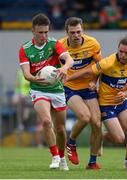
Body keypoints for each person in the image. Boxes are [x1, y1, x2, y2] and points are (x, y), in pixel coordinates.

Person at [65, 31, 127, 170]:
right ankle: (98, 137)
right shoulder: (108, 62)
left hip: (121, 103)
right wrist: (69, 77)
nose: (123, 55)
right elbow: (90, 71)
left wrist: (126, 93)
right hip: (106, 105)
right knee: (119, 139)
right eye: (120, 51)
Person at [19, 13, 74, 170]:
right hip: (38, 89)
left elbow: (69, 59)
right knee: (46, 121)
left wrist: (64, 67)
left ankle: (62, 157)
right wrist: (33, 79)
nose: (44, 35)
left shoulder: (54, 43)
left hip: (56, 90)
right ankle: (55, 156)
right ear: (33, 31)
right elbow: (26, 73)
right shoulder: (25, 49)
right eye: (40, 32)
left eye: (46, 32)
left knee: (61, 130)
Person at [59, 17, 102, 169]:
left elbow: (99, 65)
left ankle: (92, 163)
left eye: (79, 32)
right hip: (70, 87)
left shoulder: (93, 43)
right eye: (72, 33)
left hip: (88, 87)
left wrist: (94, 81)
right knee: (85, 117)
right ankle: (71, 142)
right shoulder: (60, 46)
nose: (76, 35)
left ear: (82, 30)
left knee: (97, 123)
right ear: (67, 33)